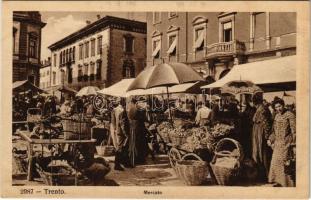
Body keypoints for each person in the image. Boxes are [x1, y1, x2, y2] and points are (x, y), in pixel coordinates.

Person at [268, 97, 296, 187]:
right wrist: (270, 139)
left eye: (279, 106)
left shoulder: (290, 115)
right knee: (275, 162)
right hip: (277, 143)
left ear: (283, 105)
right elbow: (274, 131)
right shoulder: (276, 116)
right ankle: (279, 182)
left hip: (286, 143)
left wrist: (293, 143)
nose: (278, 109)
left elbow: (294, 130)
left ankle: (287, 183)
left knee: (285, 163)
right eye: (276, 107)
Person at [251, 93, 273, 182]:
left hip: (261, 133)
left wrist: (267, 137)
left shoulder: (262, 109)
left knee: (263, 153)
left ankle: (267, 176)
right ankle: (262, 175)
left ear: (254, 102)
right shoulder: (260, 108)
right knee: (259, 153)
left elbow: (266, 124)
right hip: (257, 132)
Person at [112, 98, 130, 171]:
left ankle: (125, 162)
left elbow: (113, 121)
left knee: (121, 147)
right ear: (123, 102)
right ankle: (117, 164)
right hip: (122, 132)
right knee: (121, 148)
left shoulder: (114, 110)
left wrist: (115, 129)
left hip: (118, 131)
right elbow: (123, 123)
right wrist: (126, 134)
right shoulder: (122, 111)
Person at [127, 97, 138, 167]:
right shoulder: (135, 108)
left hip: (132, 127)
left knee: (132, 144)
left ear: (131, 102)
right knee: (133, 144)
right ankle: (133, 160)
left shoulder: (131, 108)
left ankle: (132, 161)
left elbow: (129, 118)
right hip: (134, 126)